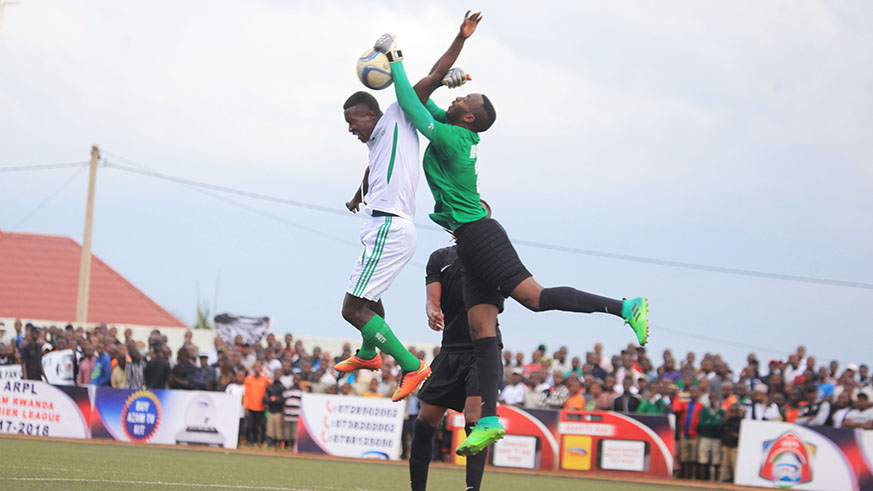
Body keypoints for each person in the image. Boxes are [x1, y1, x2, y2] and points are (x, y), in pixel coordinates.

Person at [377, 10, 650, 455]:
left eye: (469, 96)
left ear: (469, 118)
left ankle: (625, 305)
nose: (464, 94)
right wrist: (456, 48)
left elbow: (408, 101)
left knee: (535, 299)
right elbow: (425, 92)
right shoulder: (454, 129)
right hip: (469, 241)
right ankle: (487, 419)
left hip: (480, 235)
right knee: (484, 332)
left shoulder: (451, 138)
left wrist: (395, 58)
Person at [332, 44, 431, 403]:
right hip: (382, 226)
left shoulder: (397, 116)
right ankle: (369, 354)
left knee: (352, 309)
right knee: (369, 303)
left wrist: (460, 38)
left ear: (371, 115)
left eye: (352, 122)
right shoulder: (377, 141)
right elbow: (373, 168)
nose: (350, 129)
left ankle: (410, 364)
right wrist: (358, 196)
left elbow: (429, 80)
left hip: (391, 228)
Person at [410, 223, 506, 491]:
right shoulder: (440, 258)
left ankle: (472, 489)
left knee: (474, 418)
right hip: (450, 350)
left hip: (483, 350)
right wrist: (432, 311)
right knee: (425, 420)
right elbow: (433, 299)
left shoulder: (493, 258)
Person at [673, 385, 704, 479]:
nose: (693, 394)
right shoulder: (684, 404)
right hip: (684, 433)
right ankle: (683, 476)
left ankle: (692, 477)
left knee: (693, 457)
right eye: (691, 392)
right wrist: (680, 397)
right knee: (683, 457)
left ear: (698, 394)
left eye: (695, 392)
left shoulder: (701, 406)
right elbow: (676, 410)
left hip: (695, 434)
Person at [698, 392, 725, 481]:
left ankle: (715, 481)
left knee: (716, 459)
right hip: (706, 437)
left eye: (715, 398)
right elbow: (702, 424)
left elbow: (721, 425)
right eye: (711, 398)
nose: (713, 400)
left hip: (716, 438)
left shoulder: (720, 411)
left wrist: (711, 423)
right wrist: (714, 424)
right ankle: (703, 480)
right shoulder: (705, 410)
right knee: (703, 458)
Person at [243, 362, 270, 446]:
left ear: (261, 369)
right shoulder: (248, 379)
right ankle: (250, 442)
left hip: (261, 408)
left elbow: (269, 390)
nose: (257, 369)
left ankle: (260, 443)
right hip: (251, 407)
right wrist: (245, 406)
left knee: (260, 427)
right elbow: (246, 393)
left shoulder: (265, 380)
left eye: (259, 367)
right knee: (250, 426)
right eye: (255, 367)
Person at [264, 369, 286, 449]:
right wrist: (271, 400)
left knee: (279, 432)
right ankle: (270, 446)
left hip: (279, 412)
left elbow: (283, 400)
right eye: (275, 374)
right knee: (270, 431)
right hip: (270, 411)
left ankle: (280, 447)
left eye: (278, 374)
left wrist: (276, 399)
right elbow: (265, 399)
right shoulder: (270, 387)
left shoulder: (283, 387)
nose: (277, 376)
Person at [719, 404, 742, 483]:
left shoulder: (740, 421)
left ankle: (735, 480)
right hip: (726, 445)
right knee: (725, 465)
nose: (733, 413)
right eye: (731, 411)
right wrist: (724, 420)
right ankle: (725, 479)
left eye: (735, 411)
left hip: (735, 446)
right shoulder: (727, 420)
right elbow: (719, 430)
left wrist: (738, 435)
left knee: (734, 464)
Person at [225, 371, 247, 446]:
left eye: (242, 376)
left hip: (241, 412)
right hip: (231, 412)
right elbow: (227, 398)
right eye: (238, 376)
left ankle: (240, 445)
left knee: (241, 429)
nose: (240, 378)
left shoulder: (245, 387)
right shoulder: (231, 387)